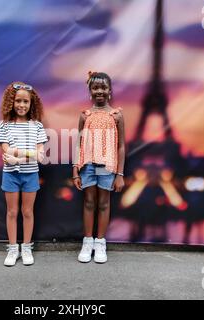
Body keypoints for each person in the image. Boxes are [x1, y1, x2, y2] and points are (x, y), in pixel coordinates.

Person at [72, 72, 125, 263]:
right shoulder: (84, 115)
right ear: (90, 91)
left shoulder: (116, 115)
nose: (99, 91)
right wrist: (75, 168)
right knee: (88, 202)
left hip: (107, 166)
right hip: (88, 164)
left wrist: (120, 173)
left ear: (110, 91)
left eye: (103, 87)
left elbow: (121, 145)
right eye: (95, 88)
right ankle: (88, 241)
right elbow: (79, 143)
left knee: (103, 203)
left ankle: (100, 242)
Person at [0, 82, 48, 266]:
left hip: (30, 175)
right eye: (18, 101)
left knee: (27, 211)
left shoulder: (38, 126)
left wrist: (18, 155)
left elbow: (40, 155)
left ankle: (26, 247)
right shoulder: (4, 125)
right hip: (10, 175)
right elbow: (7, 151)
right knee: (12, 212)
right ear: (12, 102)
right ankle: (12, 248)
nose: (22, 105)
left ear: (31, 103)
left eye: (26, 101)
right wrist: (25, 153)